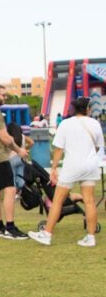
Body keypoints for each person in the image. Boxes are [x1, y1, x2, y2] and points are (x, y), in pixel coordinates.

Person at [28, 97, 104, 247]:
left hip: (72, 165)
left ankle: (47, 234)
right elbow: (97, 146)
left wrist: (54, 168)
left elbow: (58, 149)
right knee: (89, 201)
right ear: (87, 109)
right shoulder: (95, 124)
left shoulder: (65, 124)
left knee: (58, 200)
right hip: (90, 165)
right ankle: (90, 237)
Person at [0, 86, 30, 239]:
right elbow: (5, 137)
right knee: (10, 189)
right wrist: (19, 150)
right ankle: (10, 227)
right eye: (4, 95)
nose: (5, 98)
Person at [6, 121, 34, 193]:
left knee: (12, 177)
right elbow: (32, 142)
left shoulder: (9, 138)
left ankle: (13, 193)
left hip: (11, 158)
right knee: (20, 177)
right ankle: (22, 192)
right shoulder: (23, 136)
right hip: (22, 158)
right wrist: (25, 149)